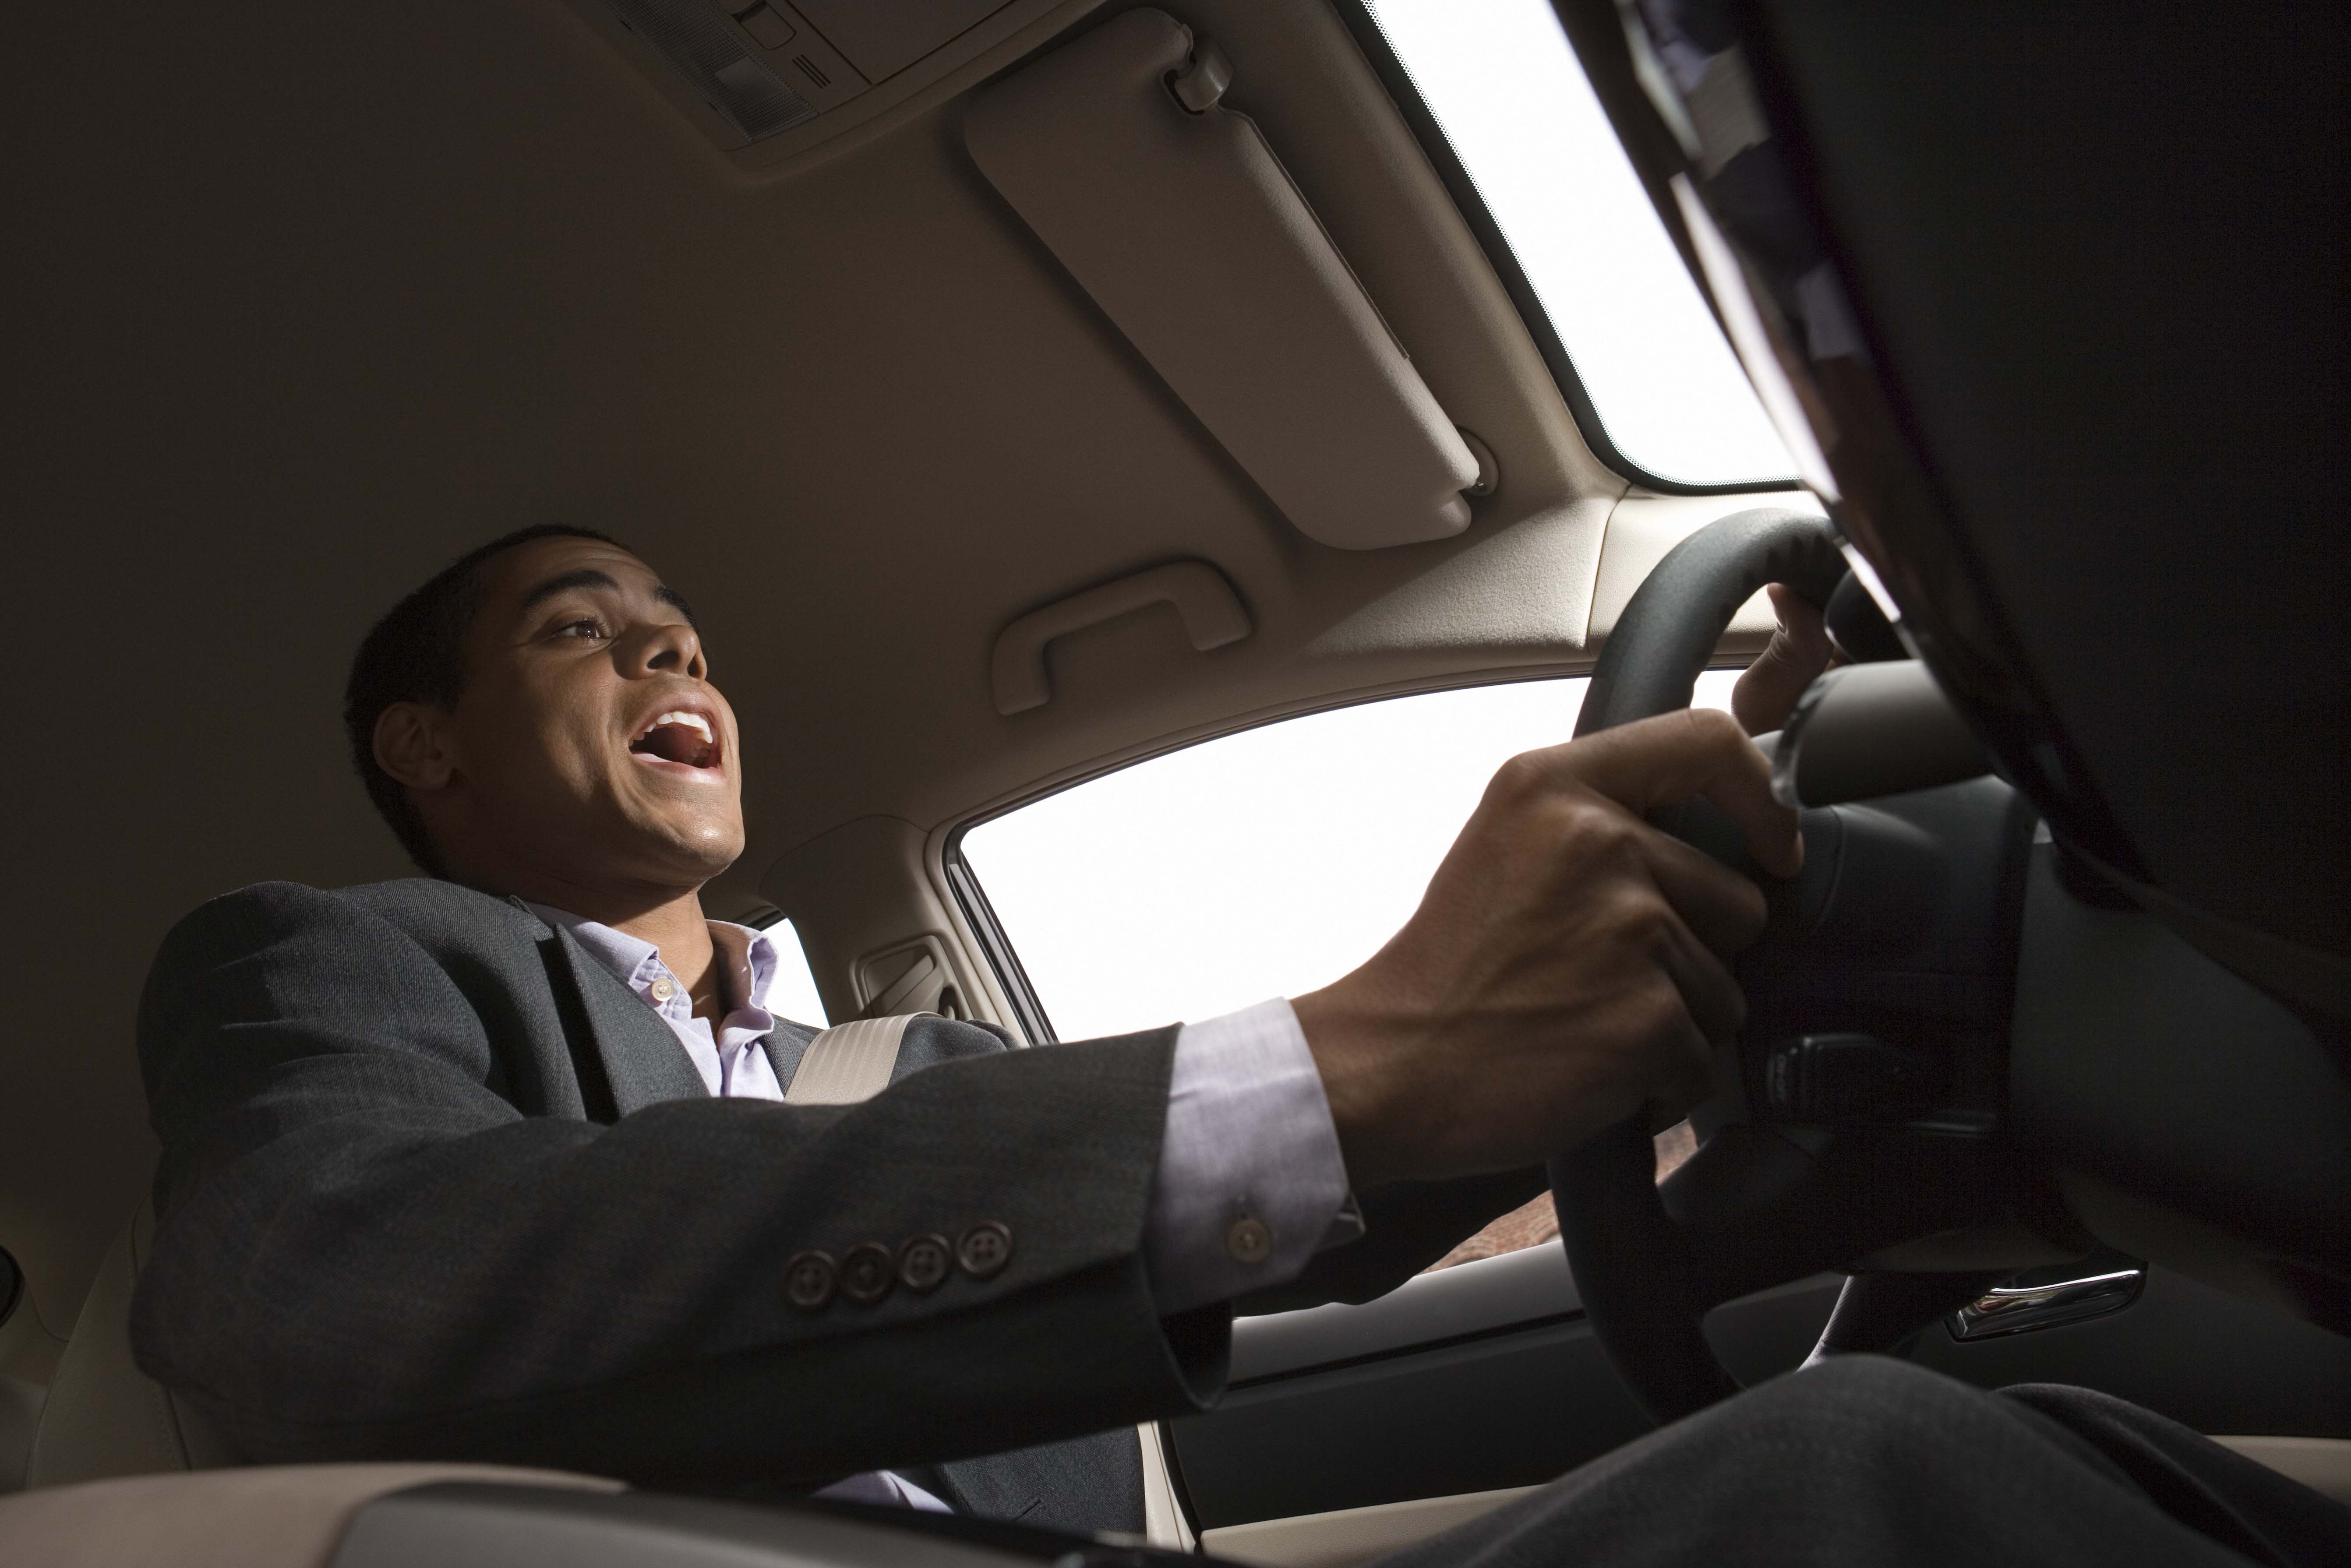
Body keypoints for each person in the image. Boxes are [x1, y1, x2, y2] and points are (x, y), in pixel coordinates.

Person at [129, 525, 2347, 1564]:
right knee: (1878, 1482)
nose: (665, 646)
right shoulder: (330, 955)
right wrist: (1360, 1050)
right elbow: (326, 1283)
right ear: (423, 742)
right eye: (577, 630)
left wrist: (1676, 1047)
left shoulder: (917, 1067)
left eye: (683, 628)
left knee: (1935, 1437)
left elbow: (1265, 1209)